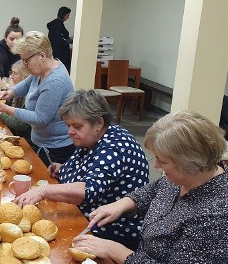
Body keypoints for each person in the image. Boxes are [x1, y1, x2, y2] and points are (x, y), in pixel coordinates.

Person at [73, 110, 228, 263]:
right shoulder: (187, 177)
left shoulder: (220, 215)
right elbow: (155, 189)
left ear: (191, 163)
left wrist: (115, 250)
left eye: (163, 161)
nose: (156, 166)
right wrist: (122, 204)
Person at [13, 89, 149, 250]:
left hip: (109, 231)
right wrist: (63, 169)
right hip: (83, 217)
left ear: (98, 123)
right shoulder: (92, 138)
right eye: (68, 125)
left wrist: (43, 191)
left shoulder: (116, 147)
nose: (70, 132)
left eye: (77, 126)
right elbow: (87, 169)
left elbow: (89, 190)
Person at [0, 31, 75, 166]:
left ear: (42, 56)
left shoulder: (55, 81)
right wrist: (11, 92)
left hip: (54, 149)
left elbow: (40, 119)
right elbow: (28, 82)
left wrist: (7, 109)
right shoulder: (42, 70)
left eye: (26, 60)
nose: (24, 64)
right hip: (41, 142)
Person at [0, 17, 23, 91]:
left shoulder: (23, 51)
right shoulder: (0, 52)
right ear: (5, 38)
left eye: (18, 39)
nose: (15, 42)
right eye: (11, 39)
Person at [47, 6, 73, 72]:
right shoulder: (57, 25)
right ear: (63, 15)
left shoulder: (55, 25)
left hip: (55, 53)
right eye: (67, 15)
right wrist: (71, 41)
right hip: (61, 55)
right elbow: (61, 40)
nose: (68, 18)